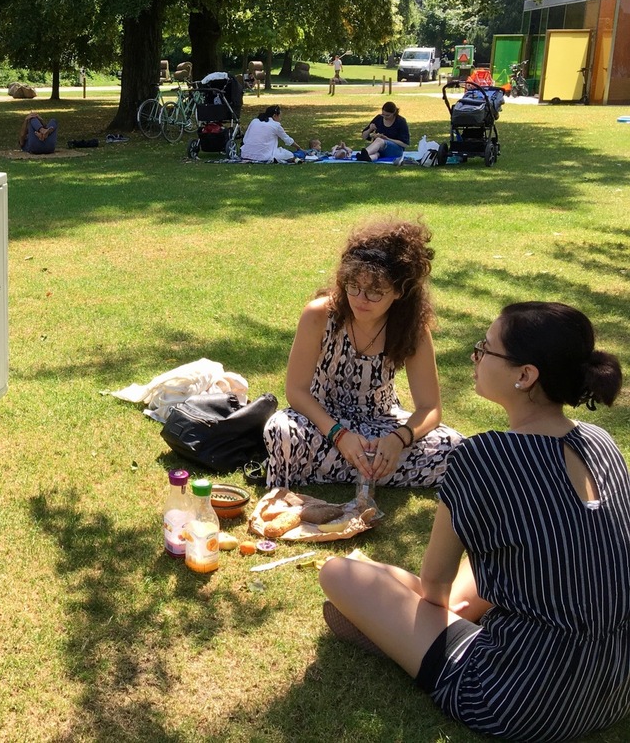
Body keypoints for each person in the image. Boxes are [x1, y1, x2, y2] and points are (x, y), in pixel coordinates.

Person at [319, 302, 630, 742]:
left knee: (339, 573)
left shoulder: (482, 458)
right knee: (478, 569)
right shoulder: (600, 440)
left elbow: (433, 589)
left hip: (517, 700)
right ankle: (408, 624)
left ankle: (396, 636)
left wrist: (389, 591)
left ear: (526, 375)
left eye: (486, 349)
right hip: (615, 688)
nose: (475, 355)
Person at [264, 219, 462, 489]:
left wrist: (398, 440)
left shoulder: (412, 328)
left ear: (399, 291)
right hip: (322, 418)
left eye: (374, 292)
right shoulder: (319, 314)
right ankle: (369, 469)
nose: (360, 298)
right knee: (281, 431)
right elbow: (297, 391)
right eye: (353, 286)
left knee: (456, 448)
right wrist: (339, 435)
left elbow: (430, 408)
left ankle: (348, 466)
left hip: (381, 422)